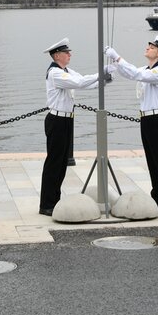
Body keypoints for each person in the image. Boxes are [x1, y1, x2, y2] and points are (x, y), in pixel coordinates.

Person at [105, 35, 158, 214]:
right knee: (151, 160)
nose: (147, 48)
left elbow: (136, 74)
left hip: (155, 118)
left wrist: (117, 56)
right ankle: (157, 196)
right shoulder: (147, 69)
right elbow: (130, 73)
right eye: (149, 45)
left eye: (152, 47)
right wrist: (114, 65)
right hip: (146, 119)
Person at [40, 38, 102, 216]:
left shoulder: (67, 71)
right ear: (57, 56)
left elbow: (83, 81)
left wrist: (104, 80)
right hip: (57, 120)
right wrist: (102, 72)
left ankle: (54, 199)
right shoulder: (55, 73)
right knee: (54, 163)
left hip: (67, 120)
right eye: (66, 52)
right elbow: (80, 83)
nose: (70, 55)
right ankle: (47, 204)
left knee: (61, 164)